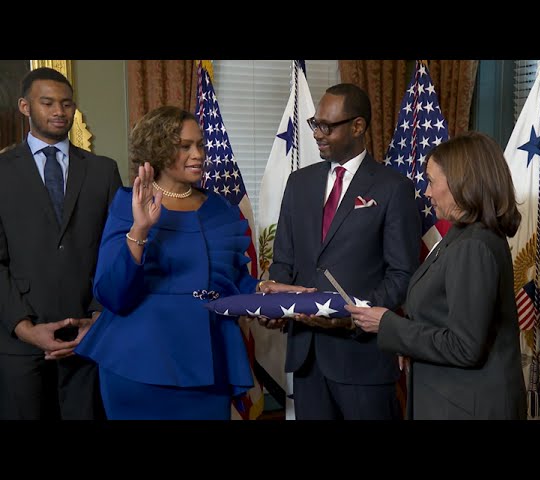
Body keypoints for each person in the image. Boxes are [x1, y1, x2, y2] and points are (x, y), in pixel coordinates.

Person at [75, 105, 311, 420]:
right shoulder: (128, 203)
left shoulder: (221, 210)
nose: (198, 153)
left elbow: (234, 282)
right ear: (158, 149)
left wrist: (267, 291)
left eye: (200, 144)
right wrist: (140, 228)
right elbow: (112, 294)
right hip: (139, 363)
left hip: (207, 362)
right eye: (184, 146)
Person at [263, 83, 422, 420]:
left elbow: (402, 274)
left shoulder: (394, 188)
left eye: (327, 126)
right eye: (315, 124)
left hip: (363, 359)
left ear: (358, 126)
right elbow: (284, 262)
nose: (318, 134)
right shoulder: (299, 183)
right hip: (306, 358)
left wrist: (353, 316)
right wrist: (276, 303)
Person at [346, 131, 527, 420]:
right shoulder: (463, 234)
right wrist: (408, 342)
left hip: (469, 407)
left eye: (431, 182)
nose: (427, 193)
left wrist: (388, 325)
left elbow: (464, 346)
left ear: (462, 183)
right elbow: (443, 316)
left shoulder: (473, 246)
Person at [0, 67, 122, 419]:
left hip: (88, 337)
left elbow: (114, 250)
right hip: (19, 342)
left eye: (66, 104)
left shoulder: (103, 171)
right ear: (25, 107)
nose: (59, 111)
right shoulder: (2, 172)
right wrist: (26, 330)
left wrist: (98, 318)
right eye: (48, 103)